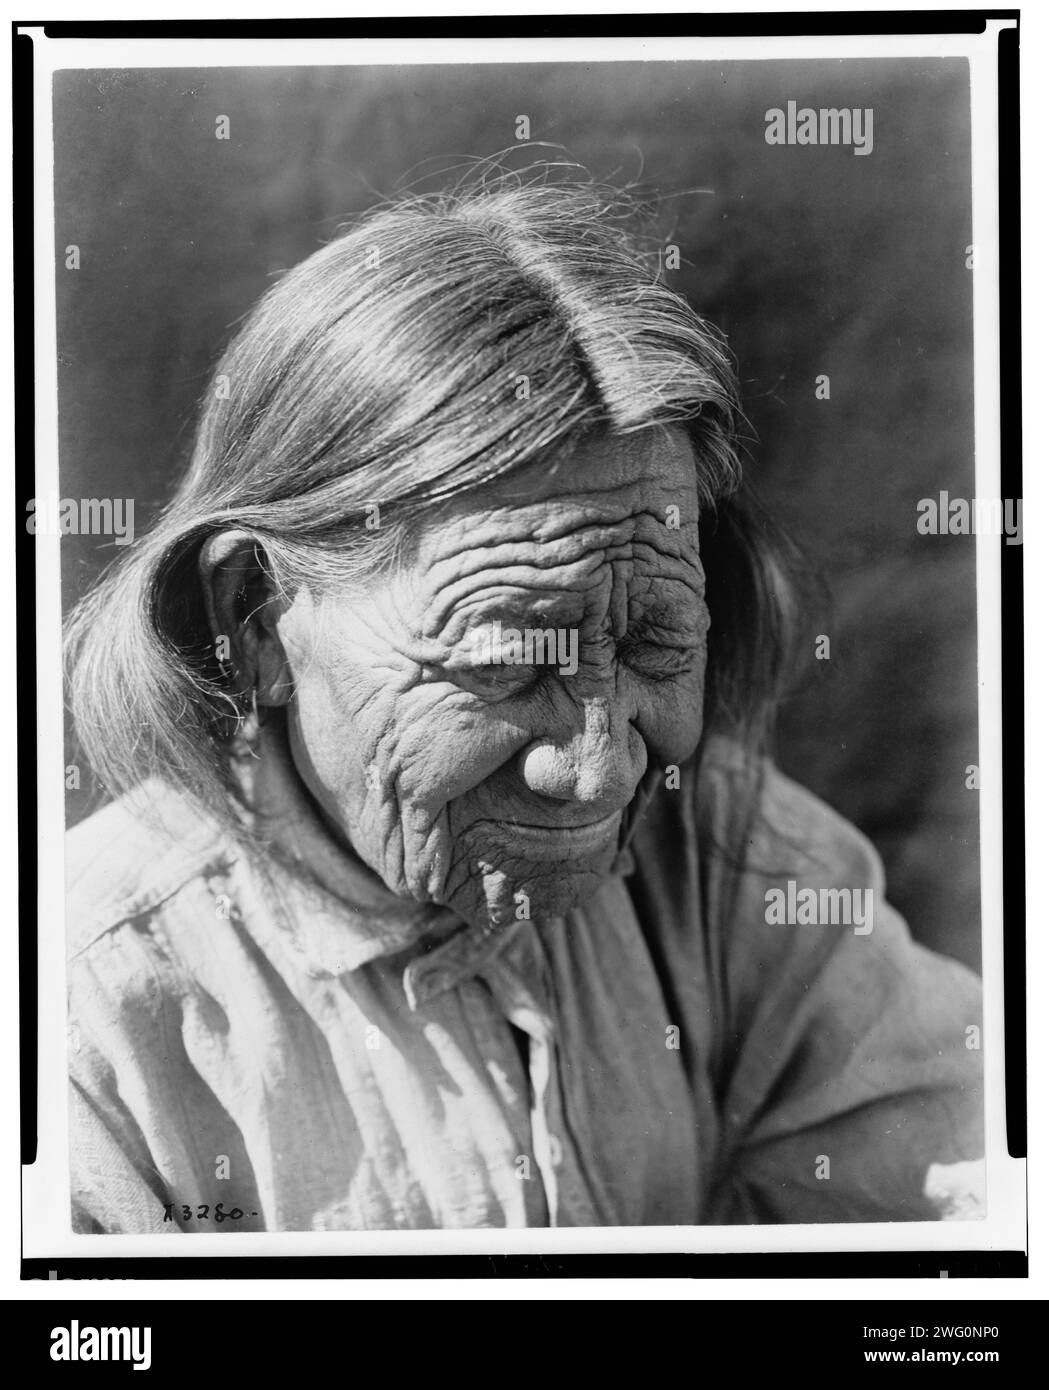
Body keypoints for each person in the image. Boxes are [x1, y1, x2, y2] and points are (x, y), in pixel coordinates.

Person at [64, 174, 983, 1232]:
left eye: (654, 642)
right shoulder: (84, 1023)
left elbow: (980, 1199)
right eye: (507, 663)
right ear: (255, 616)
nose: (601, 771)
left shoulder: (723, 858)